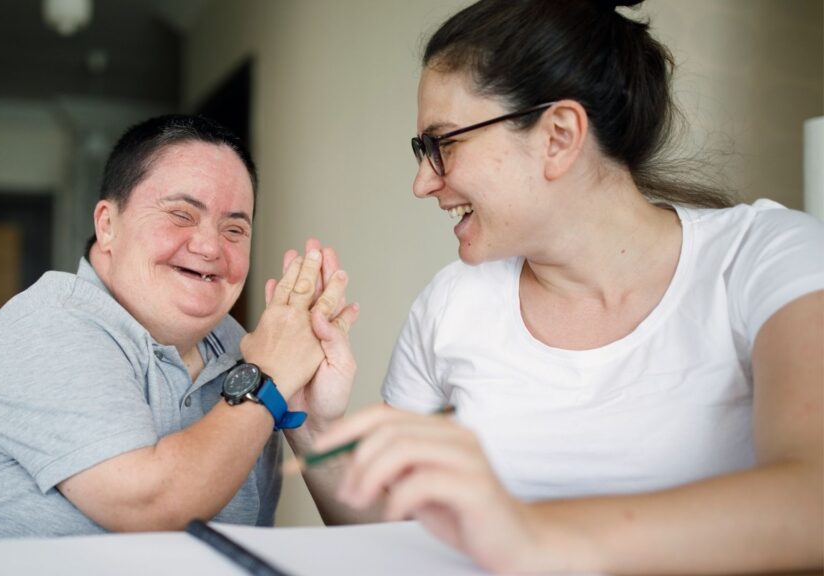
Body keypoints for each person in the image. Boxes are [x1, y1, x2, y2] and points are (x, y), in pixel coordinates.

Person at [295, 0, 824, 573]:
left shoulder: (769, 256)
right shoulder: (452, 303)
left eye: (443, 144)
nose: (424, 182)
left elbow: (811, 502)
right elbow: (392, 536)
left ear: (558, 135)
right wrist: (312, 424)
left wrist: (532, 535)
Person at [0, 114, 358, 542]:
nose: (209, 246)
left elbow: (340, 539)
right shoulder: (50, 325)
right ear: (107, 225)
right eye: (181, 214)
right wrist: (267, 379)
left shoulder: (245, 352)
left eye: (235, 229)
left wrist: (309, 422)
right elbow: (154, 507)